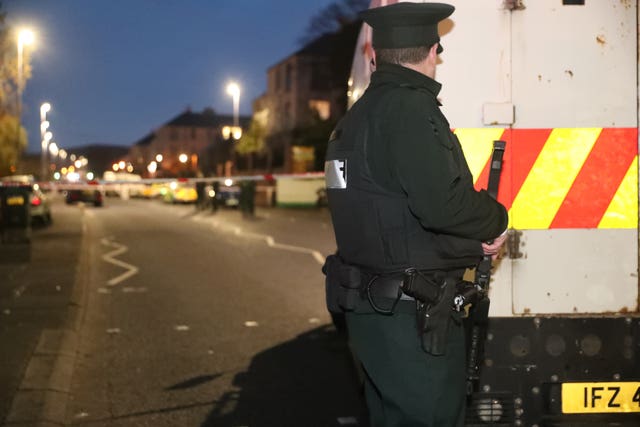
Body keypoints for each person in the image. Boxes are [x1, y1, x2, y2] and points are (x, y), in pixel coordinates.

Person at [322, 2, 508, 426]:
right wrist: (495, 220)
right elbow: (443, 205)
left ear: (375, 57)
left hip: (374, 313)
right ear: (431, 52)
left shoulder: (355, 120)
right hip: (412, 324)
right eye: (437, 53)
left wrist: (465, 243)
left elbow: (391, 214)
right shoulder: (409, 109)